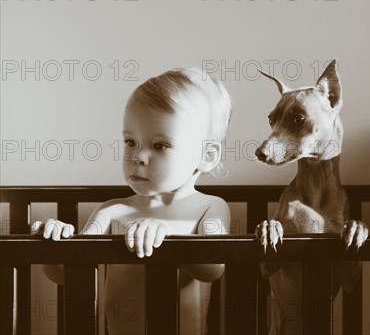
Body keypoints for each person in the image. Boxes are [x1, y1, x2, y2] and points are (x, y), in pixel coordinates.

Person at [32, 67, 233, 334]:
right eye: (130, 142)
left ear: (207, 155)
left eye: (160, 145)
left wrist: (169, 236)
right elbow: (68, 273)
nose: (137, 156)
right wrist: (55, 244)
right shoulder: (112, 212)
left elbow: (212, 268)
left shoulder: (210, 207)